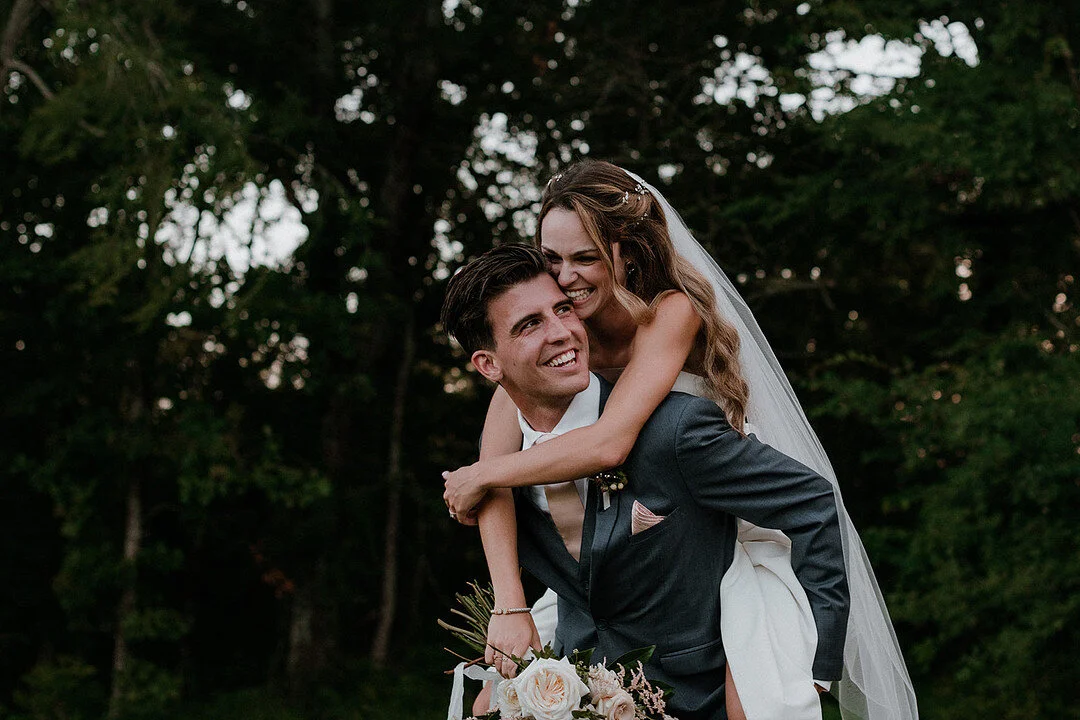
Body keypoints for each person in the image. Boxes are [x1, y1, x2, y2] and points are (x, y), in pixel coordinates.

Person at [444, 160, 919, 720]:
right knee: (490, 703)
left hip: (740, 526)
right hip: (623, 569)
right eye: (553, 259)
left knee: (761, 699)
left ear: (625, 251)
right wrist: (508, 605)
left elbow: (609, 443)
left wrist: (479, 474)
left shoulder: (668, 312)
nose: (565, 278)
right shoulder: (563, 330)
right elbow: (496, 485)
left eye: (585, 258)